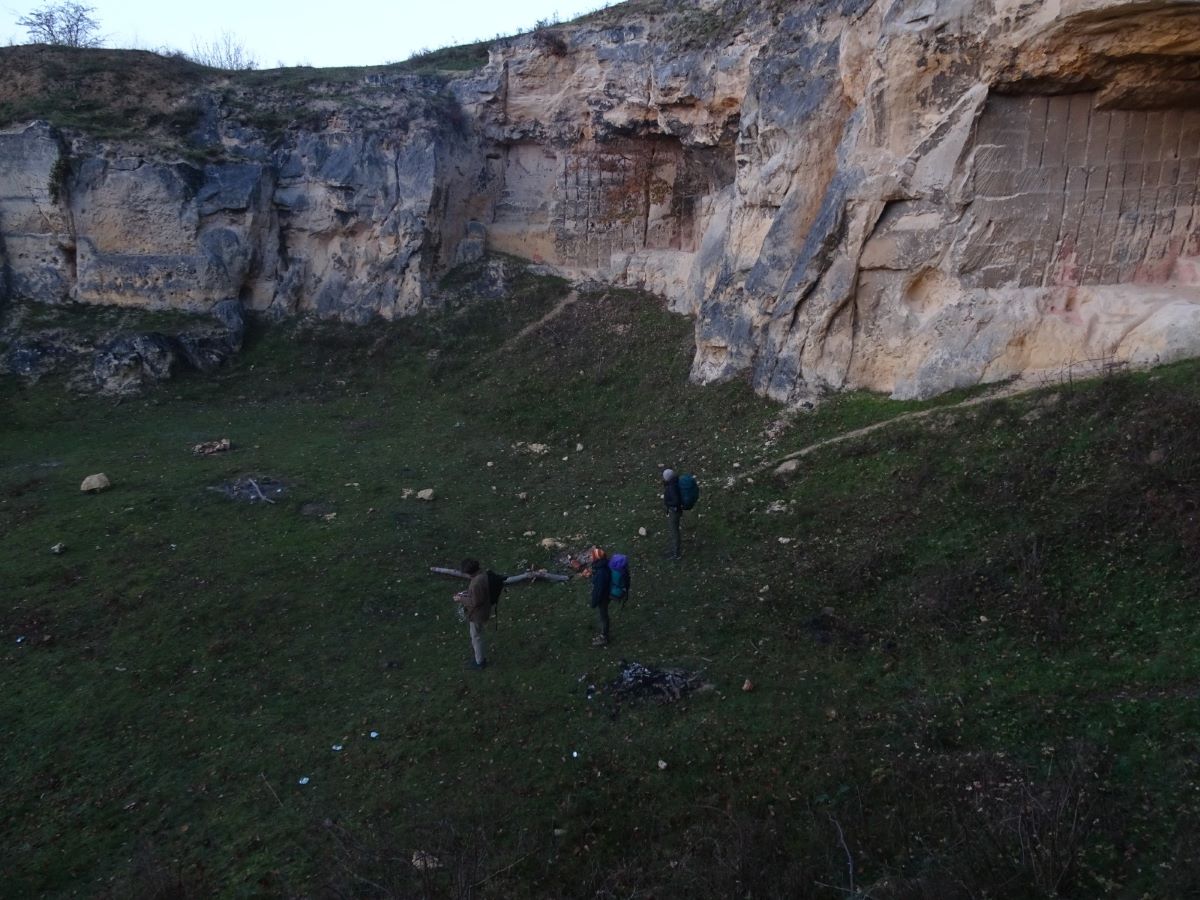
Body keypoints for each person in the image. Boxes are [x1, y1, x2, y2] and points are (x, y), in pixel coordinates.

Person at [455, 558, 495, 669]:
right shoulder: (483, 576)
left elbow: (475, 602)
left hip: (477, 614)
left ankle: (479, 662)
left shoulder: (475, 583)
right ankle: (480, 659)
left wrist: (460, 599)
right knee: (478, 635)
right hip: (484, 609)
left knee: (476, 637)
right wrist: (466, 594)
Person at [588, 546, 612, 646]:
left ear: (596, 558)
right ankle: (604, 633)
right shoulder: (603, 565)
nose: (589, 557)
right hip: (606, 594)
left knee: (603, 616)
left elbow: (599, 590)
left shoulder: (601, 572)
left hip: (603, 597)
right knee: (603, 615)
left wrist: (594, 602)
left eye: (591, 556)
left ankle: (604, 637)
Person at [662, 468, 683, 559]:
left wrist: (667, 503)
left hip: (674, 511)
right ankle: (675, 549)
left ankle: (676, 553)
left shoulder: (671, 487)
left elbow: (676, 501)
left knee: (674, 532)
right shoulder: (674, 483)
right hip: (676, 511)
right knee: (674, 530)